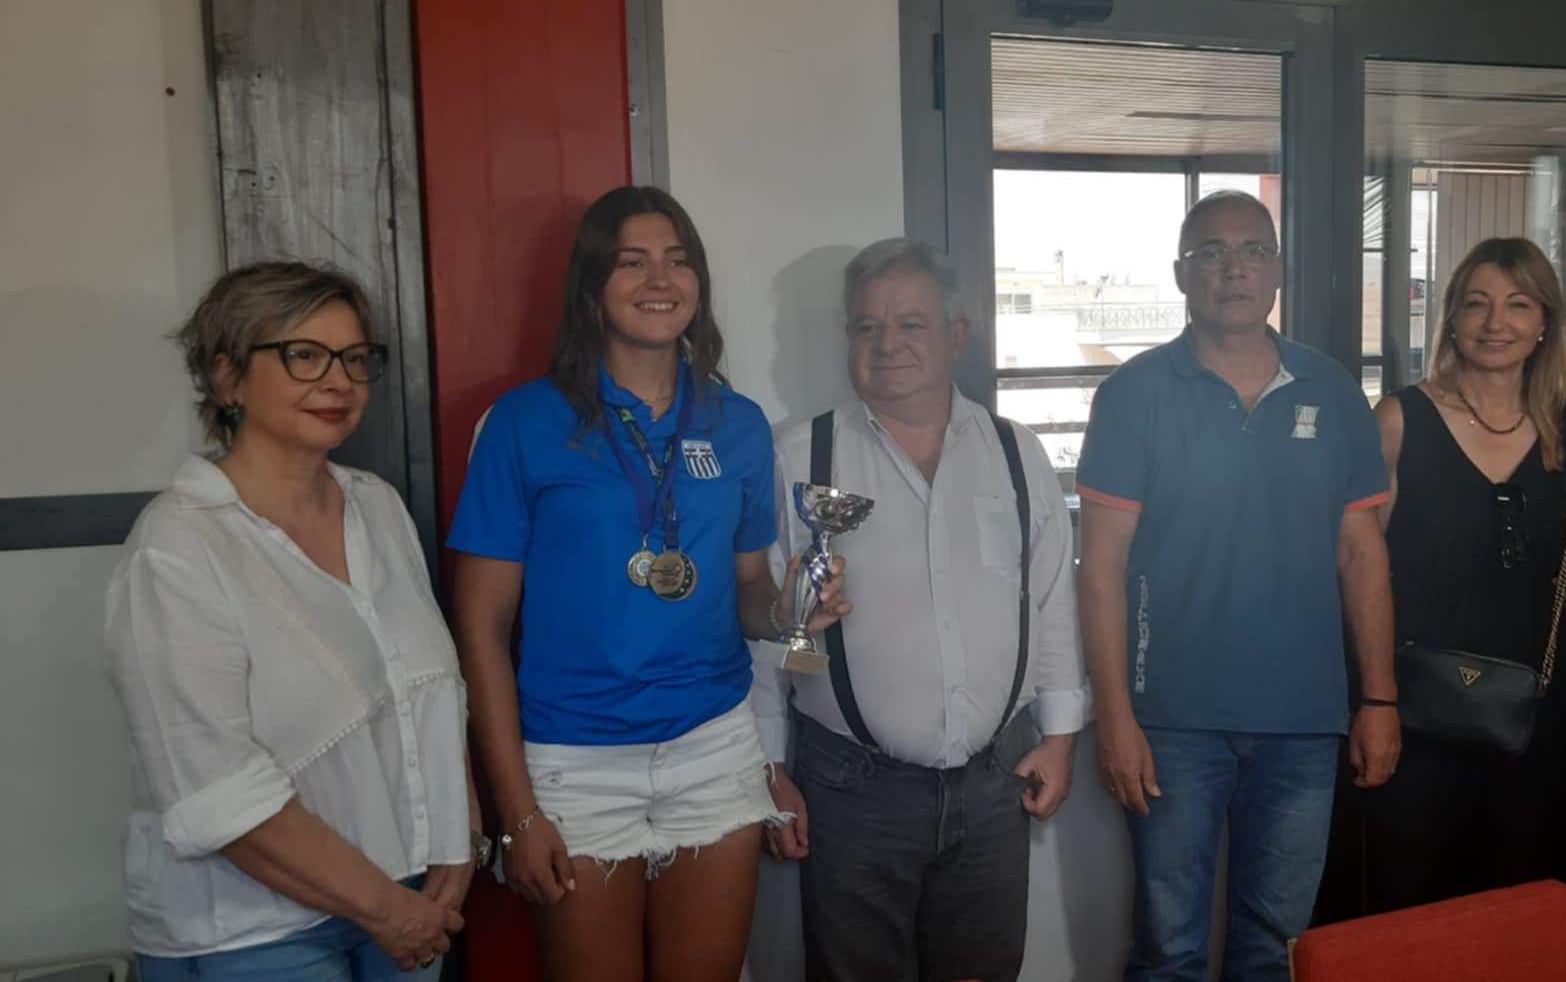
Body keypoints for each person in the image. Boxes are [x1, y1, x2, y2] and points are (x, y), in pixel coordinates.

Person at [447, 186, 845, 982]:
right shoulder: (522, 423)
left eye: (677, 260)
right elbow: (480, 630)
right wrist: (516, 809)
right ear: (592, 284)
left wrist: (789, 609)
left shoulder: (737, 424)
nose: (660, 279)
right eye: (632, 261)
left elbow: (747, 590)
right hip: (573, 759)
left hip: (713, 748)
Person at [107, 261, 478, 980]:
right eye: (303, 355)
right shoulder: (177, 546)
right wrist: (386, 909)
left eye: (354, 358)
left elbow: (431, 691)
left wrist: (461, 841)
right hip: (251, 933)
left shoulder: (376, 506)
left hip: (407, 894)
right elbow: (215, 793)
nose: (338, 381)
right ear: (228, 379)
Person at [1077, 190, 1400, 982]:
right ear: (1181, 273)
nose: (1234, 269)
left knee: (1276, 950)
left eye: (1253, 250)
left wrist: (1380, 698)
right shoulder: (1134, 395)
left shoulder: (1333, 391)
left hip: (1304, 722)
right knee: (1169, 950)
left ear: (1278, 269)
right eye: (1212, 253)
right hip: (1172, 724)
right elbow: (1101, 567)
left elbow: (1362, 555)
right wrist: (1114, 717)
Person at [749, 238, 1088, 982]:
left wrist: (1061, 737)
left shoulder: (1017, 453)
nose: (887, 344)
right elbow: (772, 629)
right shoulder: (799, 458)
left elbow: (1050, 601)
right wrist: (769, 765)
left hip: (995, 781)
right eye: (866, 327)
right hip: (851, 793)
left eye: (910, 324)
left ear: (956, 334)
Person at [1359, 237, 1566, 913]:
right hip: (1418, 705)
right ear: (1453, 318)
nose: (1496, 323)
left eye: (1518, 305)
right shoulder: (1398, 420)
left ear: (1544, 322)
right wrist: (1373, 699)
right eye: (1477, 304)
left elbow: (1552, 565)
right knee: (1412, 901)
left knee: (1518, 900)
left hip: (1531, 704)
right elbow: (1360, 568)